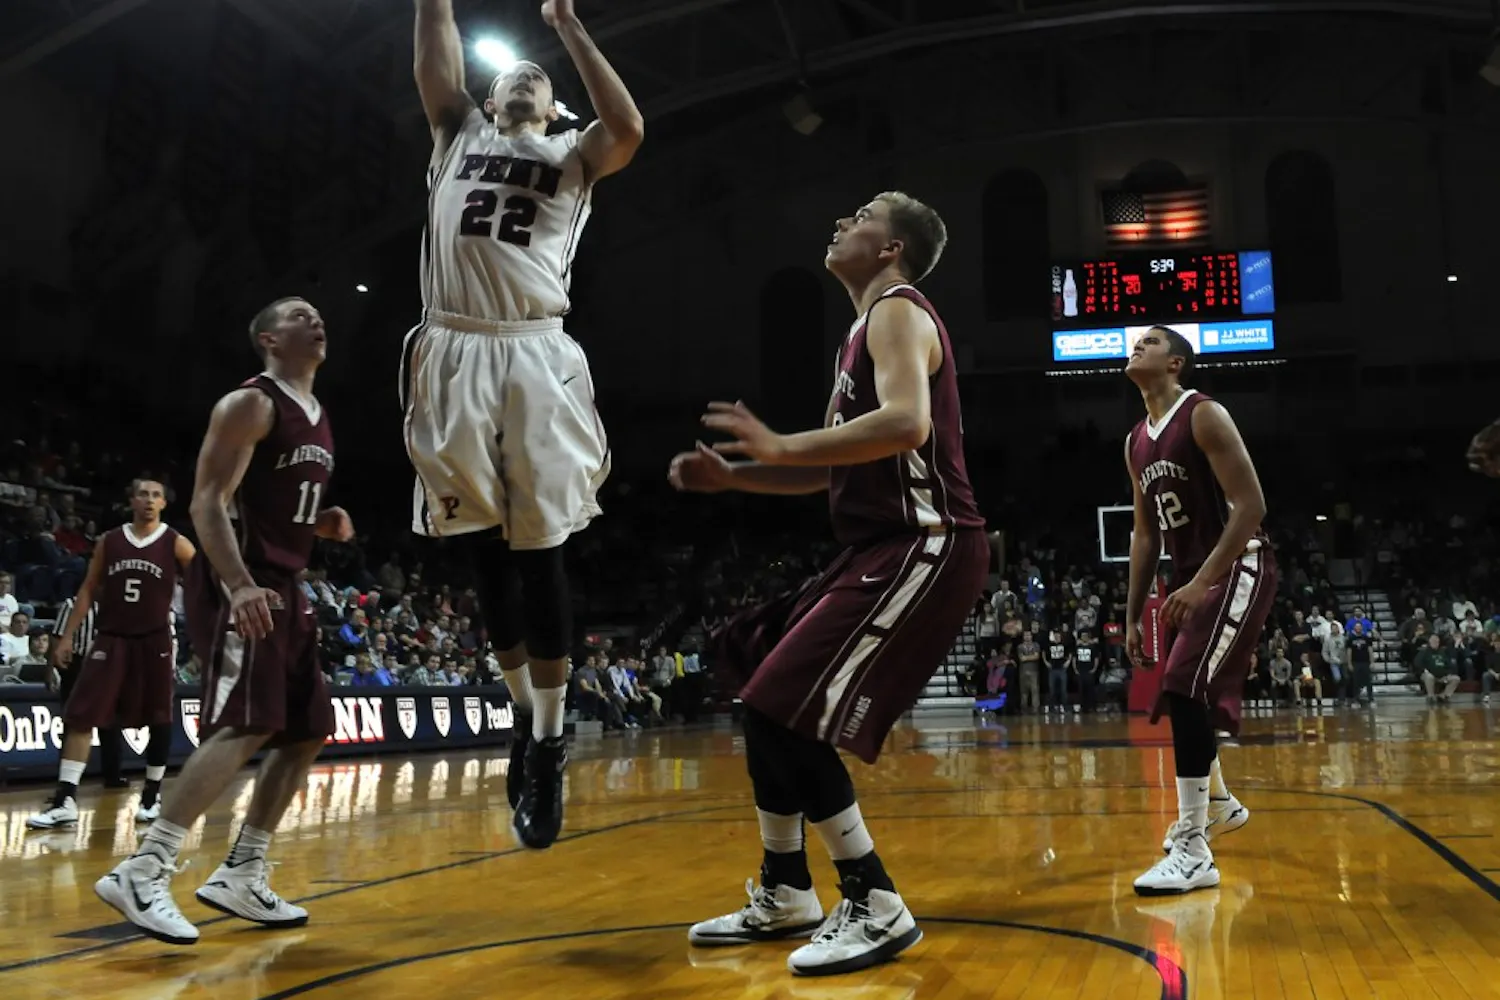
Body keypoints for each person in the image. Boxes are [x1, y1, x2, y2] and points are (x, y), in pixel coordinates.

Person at [669, 192, 987, 976]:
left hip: (926, 543)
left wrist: (775, 445)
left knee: (785, 711)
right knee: (753, 676)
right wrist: (738, 478)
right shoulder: (859, 331)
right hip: (874, 547)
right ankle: (786, 889)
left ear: (891, 249)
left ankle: (874, 900)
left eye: (864, 214)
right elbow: (833, 470)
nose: (843, 220)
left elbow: (908, 423)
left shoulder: (899, 312)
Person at [406, 0, 644, 849]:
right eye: (510, 75)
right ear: (488, 97)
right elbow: (434, 61)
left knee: (539, 550)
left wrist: (569, 27)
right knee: (480, 551)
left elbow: (628, 125)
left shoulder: (573, 156)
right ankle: (525, 716)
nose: (521, 80)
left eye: (536, 82)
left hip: (533, 351)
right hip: (453, 348)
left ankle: (547, 742)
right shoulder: (456, 134)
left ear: (551, 110)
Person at [94, 297, 354, 945]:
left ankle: (243, 869)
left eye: (318, 313)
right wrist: (238, 585)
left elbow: (273, 499)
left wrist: (319, 523)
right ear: (268, 338)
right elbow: (208, 501)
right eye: (299, 314)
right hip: (245, 581)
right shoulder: (252, 402)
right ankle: (143, 868)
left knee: (308, 732)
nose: (315, 319)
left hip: (286, 582)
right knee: (248, 721)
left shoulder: (317, 415)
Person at [1124, 325, 1276, 896]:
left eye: (1150, 342)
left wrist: (1202, 580)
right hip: (1191, 580)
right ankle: (1218, 803)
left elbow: (1252, 504)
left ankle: (1193, 845)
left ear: (1176, 363)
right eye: (1135, 342)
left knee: (1185, 684)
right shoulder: (1136, 439)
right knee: (1183, 685)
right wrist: (1135, 611)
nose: (1136, 345)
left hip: (1241, 564)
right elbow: (1144, 537)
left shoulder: (1204, 414)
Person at [27, 480, 195, 830]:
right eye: (142, 494)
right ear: (131, 500)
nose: (149, 500)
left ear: (163, 503)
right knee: (82, 715)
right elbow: (88, 589)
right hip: (111, 637)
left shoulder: (176, 543)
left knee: (160, 716)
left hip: (155, 638)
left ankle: (151, 795)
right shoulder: (109, 541)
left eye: (155, 495)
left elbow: (203, 588)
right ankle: (65, 799)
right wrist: (67, 637)